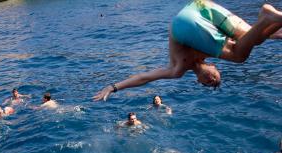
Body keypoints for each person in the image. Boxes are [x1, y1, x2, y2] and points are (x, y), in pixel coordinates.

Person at [93, 1, 282, 101]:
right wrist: (269, 34)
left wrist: (114, 87)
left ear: (198, 79)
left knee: (241, 51)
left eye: (208, 83)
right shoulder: (209, 51)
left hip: (187, 21)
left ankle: (268, 18)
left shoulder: (177, 69)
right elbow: (248, 38)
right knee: (243, 50)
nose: (211, 80)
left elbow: (145, 77)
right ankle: (268, 19)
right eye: (215, 79)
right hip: (199, 8)